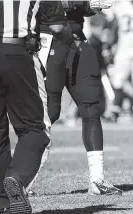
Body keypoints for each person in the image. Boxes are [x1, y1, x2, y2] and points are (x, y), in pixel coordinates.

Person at [26, 0, 121, 196]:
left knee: (91, 108)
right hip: (50, 40)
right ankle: (22, 180)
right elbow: (46, 4)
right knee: (48, 111)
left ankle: (97, 180)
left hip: (78, 41)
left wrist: (91, 7)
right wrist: (81, 2)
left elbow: (78, 8)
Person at [0, 1, 75, 213]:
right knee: (37, 129)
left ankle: (2, 204)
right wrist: (71, 41)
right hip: (18, 52)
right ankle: (16, 177)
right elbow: (57, 27)